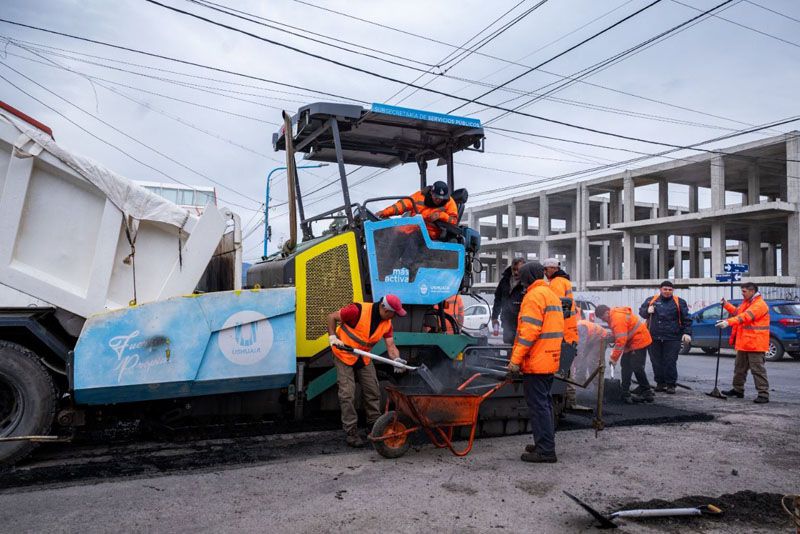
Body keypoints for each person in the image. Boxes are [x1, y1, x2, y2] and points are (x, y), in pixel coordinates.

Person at [327, 294, 407, 447]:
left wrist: (396, 359)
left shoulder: (387, 323)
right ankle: (351, 432)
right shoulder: (357, 310)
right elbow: (331, 317)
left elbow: (391, 346)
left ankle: (374, 426)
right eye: (394, 313)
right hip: (343, 354)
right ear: (384, 308)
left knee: (373, 391)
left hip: (363, 357)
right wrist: (332, 338)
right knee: (347, 393)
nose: (395, 316)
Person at [507, 262, 564, 463]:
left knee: (539, 406)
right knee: (545, 404)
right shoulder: (550, 294)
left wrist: (514, 361)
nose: (521, 281)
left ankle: (546, 451)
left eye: (522, 277)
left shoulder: (534, 296)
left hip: (537, 361)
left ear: (528, 276)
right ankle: (544, 443)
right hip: (548, 359)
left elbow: (528, 334)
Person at [717, 282, 771, 403]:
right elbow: (738, 313)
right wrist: (726, 305)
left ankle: (763, 394)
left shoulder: (759, 305)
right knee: (739, 368)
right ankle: (738, 390)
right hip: (744, 343)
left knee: (757, 370)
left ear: (752, 291)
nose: (742, 293)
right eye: (742, 291)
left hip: (755, 344)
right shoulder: (747, 302)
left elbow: (745, 316)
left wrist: (728, 322)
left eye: (744, 291)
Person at [638, 281, 692, 395]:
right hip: (653, 337)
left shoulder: (679, 302)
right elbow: (642, 313)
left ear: (673, 290)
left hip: (672, 337)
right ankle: (660, 383)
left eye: (670, 290)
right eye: (665, 289)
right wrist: (647, 311)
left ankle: (671, 384)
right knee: (656, 362)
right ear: (660, 289)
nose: (667, 292)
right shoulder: (651, 300)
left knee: (670, 361)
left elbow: (687, 318)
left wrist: (687, 333)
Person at [596, 304, 654, 404]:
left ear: (606, 312)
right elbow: (621, 333)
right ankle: (625, 390)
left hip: (639, 340)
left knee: (636, 366)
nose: (604, 321)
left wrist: (614, 358)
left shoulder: (617, 318)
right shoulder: (613, 316)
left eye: (603, 318)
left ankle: (646, 391)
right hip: (631, 342)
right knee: (626, 364)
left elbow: (621, 341)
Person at [542, 258, 581, 409]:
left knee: (563, 368)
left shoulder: (557, 282)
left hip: (563, 333)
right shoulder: (564, 281)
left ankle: (567, 401)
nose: (545, 273)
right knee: (567, 367)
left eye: (546, 270)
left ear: (552, 268)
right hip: (568, 332)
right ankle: (569, 400)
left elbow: (555, 307)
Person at [377, 180, 458, 241]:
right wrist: (384, 212)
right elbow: (402, 205)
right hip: (412, 228)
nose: (438, 200)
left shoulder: (450, 202)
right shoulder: (419, 196)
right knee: (394, 236)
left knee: (412, 240)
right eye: (436, 197)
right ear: (431, 193)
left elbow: (454, 220)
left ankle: (408, 263)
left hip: (430, 233)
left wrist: (441, 215)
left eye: (441, 198)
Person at [491, 258, 526, 343]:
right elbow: (498, 299)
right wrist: (494, 317)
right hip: (507, 322)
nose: (516, 272)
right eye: (514, 269)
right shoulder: (505, 281)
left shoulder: (527, 282)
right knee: (508, 348)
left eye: (519, 270)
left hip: (522, 324)